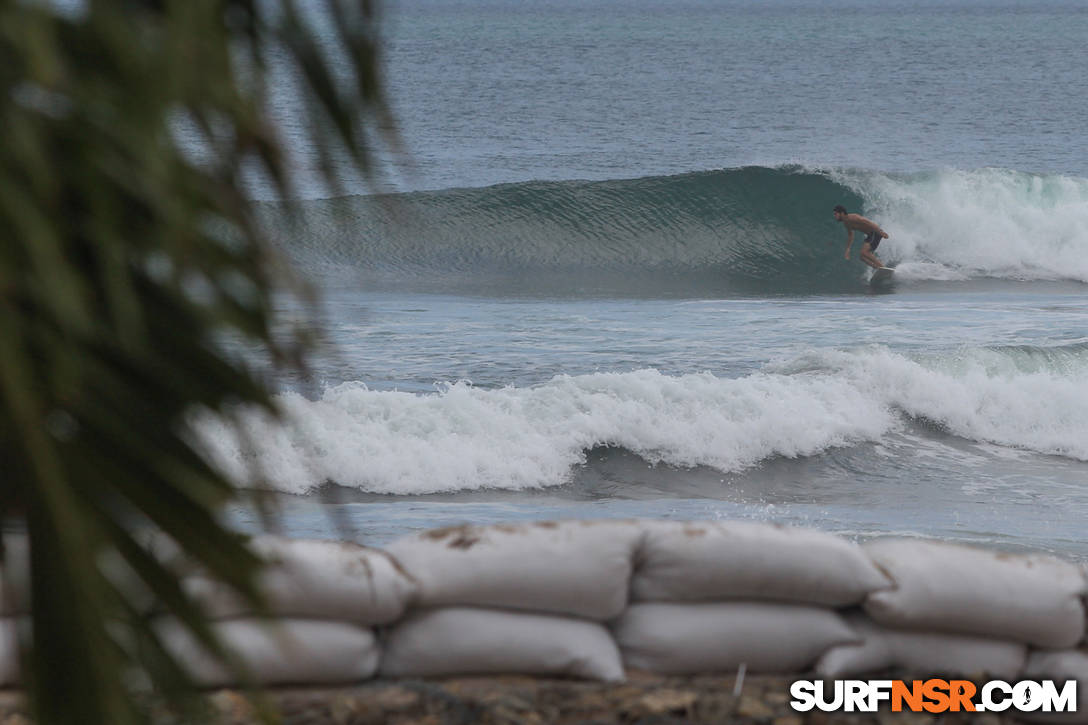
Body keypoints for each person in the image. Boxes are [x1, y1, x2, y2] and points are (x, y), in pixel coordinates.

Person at [833, 205, 889, 270]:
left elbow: (868, 222)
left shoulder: (853, 217)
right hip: (870, 235)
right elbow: (851, 235)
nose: (835, 216)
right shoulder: (846, 223)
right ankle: (876, 267)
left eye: (835, 214)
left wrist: (880, 232)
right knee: (862, 257)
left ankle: (882, 267)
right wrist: (848, 249)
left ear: (842, 213)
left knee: (864, 252)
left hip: (875, 232)